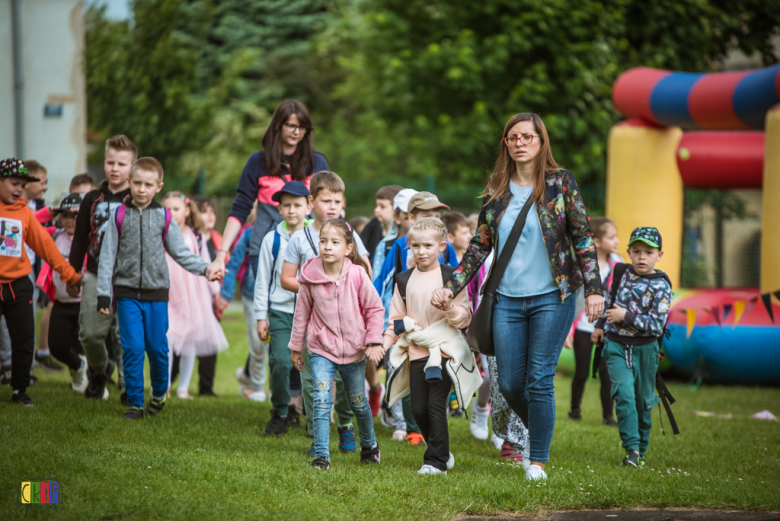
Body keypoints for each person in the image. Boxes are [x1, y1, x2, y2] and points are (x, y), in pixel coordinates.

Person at [432, 112, 604, 481]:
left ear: (541, 142)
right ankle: (541, 432)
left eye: (528, 136)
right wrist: (453, 285)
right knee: (509, 384)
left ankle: (536, 460)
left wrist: (594, 290)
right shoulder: (497, 188)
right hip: (507, 300)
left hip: (552, 297)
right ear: (506, 145)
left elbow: (583, 239)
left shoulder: (560, 183)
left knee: (538, 379)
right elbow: (479, 245)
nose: (520, 142)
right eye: (513, 137)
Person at [96, 157, 220, 420]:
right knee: (131, 347)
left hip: (156, 295)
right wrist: (103, 292)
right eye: (137, 183)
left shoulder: (164, 216)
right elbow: (107, 255)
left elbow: (181, 252)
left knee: (157, 348)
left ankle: (160, 392)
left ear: (158, 187)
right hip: (126, 292)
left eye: (148, 185)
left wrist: (206, 268)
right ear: (129, 183)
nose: (142, 189)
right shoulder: (118, 215)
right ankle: (136, 402)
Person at [280, 171, 372, 455]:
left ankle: (345, 424)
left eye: (337, 201)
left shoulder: (349, 233)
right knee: (314, 385)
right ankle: (318, 441)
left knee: (348, 390)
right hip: (317, 330)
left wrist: (343, 285)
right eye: (326, 200)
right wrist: (318, 287)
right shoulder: (300, 238)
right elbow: (287, 279)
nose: (332, 206)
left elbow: (365, 270)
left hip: (349, 329)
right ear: (311, 202)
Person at [381, 218, 478, 475]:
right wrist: (384, 343)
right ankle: (442, 450)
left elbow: (465, 316)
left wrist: (448, 307)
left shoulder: (451, 277)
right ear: (409, 247)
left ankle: (434, 462)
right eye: (415, 246)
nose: (421, 251)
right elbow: (396, 320)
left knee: (436, 404)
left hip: (444, 350)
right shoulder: (402, 279)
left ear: (442, 246)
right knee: (418, 408)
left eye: (427, 245)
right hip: (417, 352)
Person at [288, 219, 384, 470]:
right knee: (321, 399)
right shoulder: (309, 276)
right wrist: (296, 347)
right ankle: (321, 456)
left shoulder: (357, 274)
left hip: (355, 351)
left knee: (358, 403)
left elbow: (375, 309)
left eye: (334, 242)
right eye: (323, 241)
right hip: (321, 349)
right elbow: (302, 313)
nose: (327, 247)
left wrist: (373, 341)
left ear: (348, 248)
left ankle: (370, 446)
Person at [207, 99, 328, 283]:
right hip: (266, 251)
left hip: (310, 251)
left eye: (302, 127)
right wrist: (220, 255)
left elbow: (329, 207)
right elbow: (240, 209)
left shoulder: (317, 163)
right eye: (291, 126)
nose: (297, 132)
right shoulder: (257, 162)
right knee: (273, 310)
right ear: (278, 125)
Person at [0, 158, 82, 406]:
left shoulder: (25, 213)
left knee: (24, 338)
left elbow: (47, 248)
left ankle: (20, 390)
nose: (19, 189)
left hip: (19, 285)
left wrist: (70, 275)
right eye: (14, 183)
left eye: (23, 186)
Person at [592, 227, 672, 468]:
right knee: (624, 396)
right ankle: (632, 451)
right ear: (628, 252)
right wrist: (600, 325)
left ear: (660, 254)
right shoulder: (620, 272)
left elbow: (657, 325)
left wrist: (625, 316)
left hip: (646, 351)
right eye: (636, 251)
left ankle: (642, 449)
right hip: (616, 346)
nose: (642, 257)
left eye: (649, 252)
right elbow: (608, 299)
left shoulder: (662, 285)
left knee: (643, 402)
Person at [70, 135, 136, 401]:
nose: (115, 168)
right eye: (110, 162)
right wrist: (73, 272)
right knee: (89, 334)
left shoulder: (137, 198)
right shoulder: (91, 198)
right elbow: (80, 238)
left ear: (132, 166)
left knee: (126, 337)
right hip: (96, 274)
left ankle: (127, 387)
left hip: (128, 278)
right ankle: (99, 371)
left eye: (122, 163)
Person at [254, 181, 311, 436]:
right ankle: (280, 412)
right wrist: (260, 316)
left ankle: (309, 412)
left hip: (312, 312)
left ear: (308, 207)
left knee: (311, 363)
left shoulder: (317, 238)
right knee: (279, 361)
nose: (292, 210)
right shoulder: (271, 240)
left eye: (297, 205)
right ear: (279, 209)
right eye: (286, 205)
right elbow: (262, 280)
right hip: (280, 311)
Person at [161, 192, 228, 400]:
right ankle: (164, 385)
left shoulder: (196, 235)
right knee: (168, 337)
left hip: (192, 292)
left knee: (190, 339)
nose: (171, 213)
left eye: (176, 209)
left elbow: (206, 261)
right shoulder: (161, 232)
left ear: (187, 211)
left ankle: (183, 388)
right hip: (169, 291)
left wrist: (216, 293)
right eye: (167, 209)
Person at [566, 217, 622, 426]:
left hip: (609, 328)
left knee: (607, 373)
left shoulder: (619, 264)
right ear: (596, 242)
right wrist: (568, 330)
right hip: (583, 326)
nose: (616, 241)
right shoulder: (582, 265)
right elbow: (574, 298)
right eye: (611, 237)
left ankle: (609, 416)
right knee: (581, 372)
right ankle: (574, 410)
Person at [38, 192, 90, 392]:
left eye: (76, 215)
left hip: (85, 302)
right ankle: (78, 367)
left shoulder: (90, 238)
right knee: (57, 347)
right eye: (66, 215)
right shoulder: (54, 234)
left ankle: (96, 384)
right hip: (61, 301)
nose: (70, 220)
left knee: (88, 347)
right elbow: (28, 224)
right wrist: (49, 212)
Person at [360, 184, 404, 265]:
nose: (376, 210)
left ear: (396, 209)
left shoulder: (404, 231)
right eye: (377, 206)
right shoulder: (372, 226)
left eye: (382, 207)